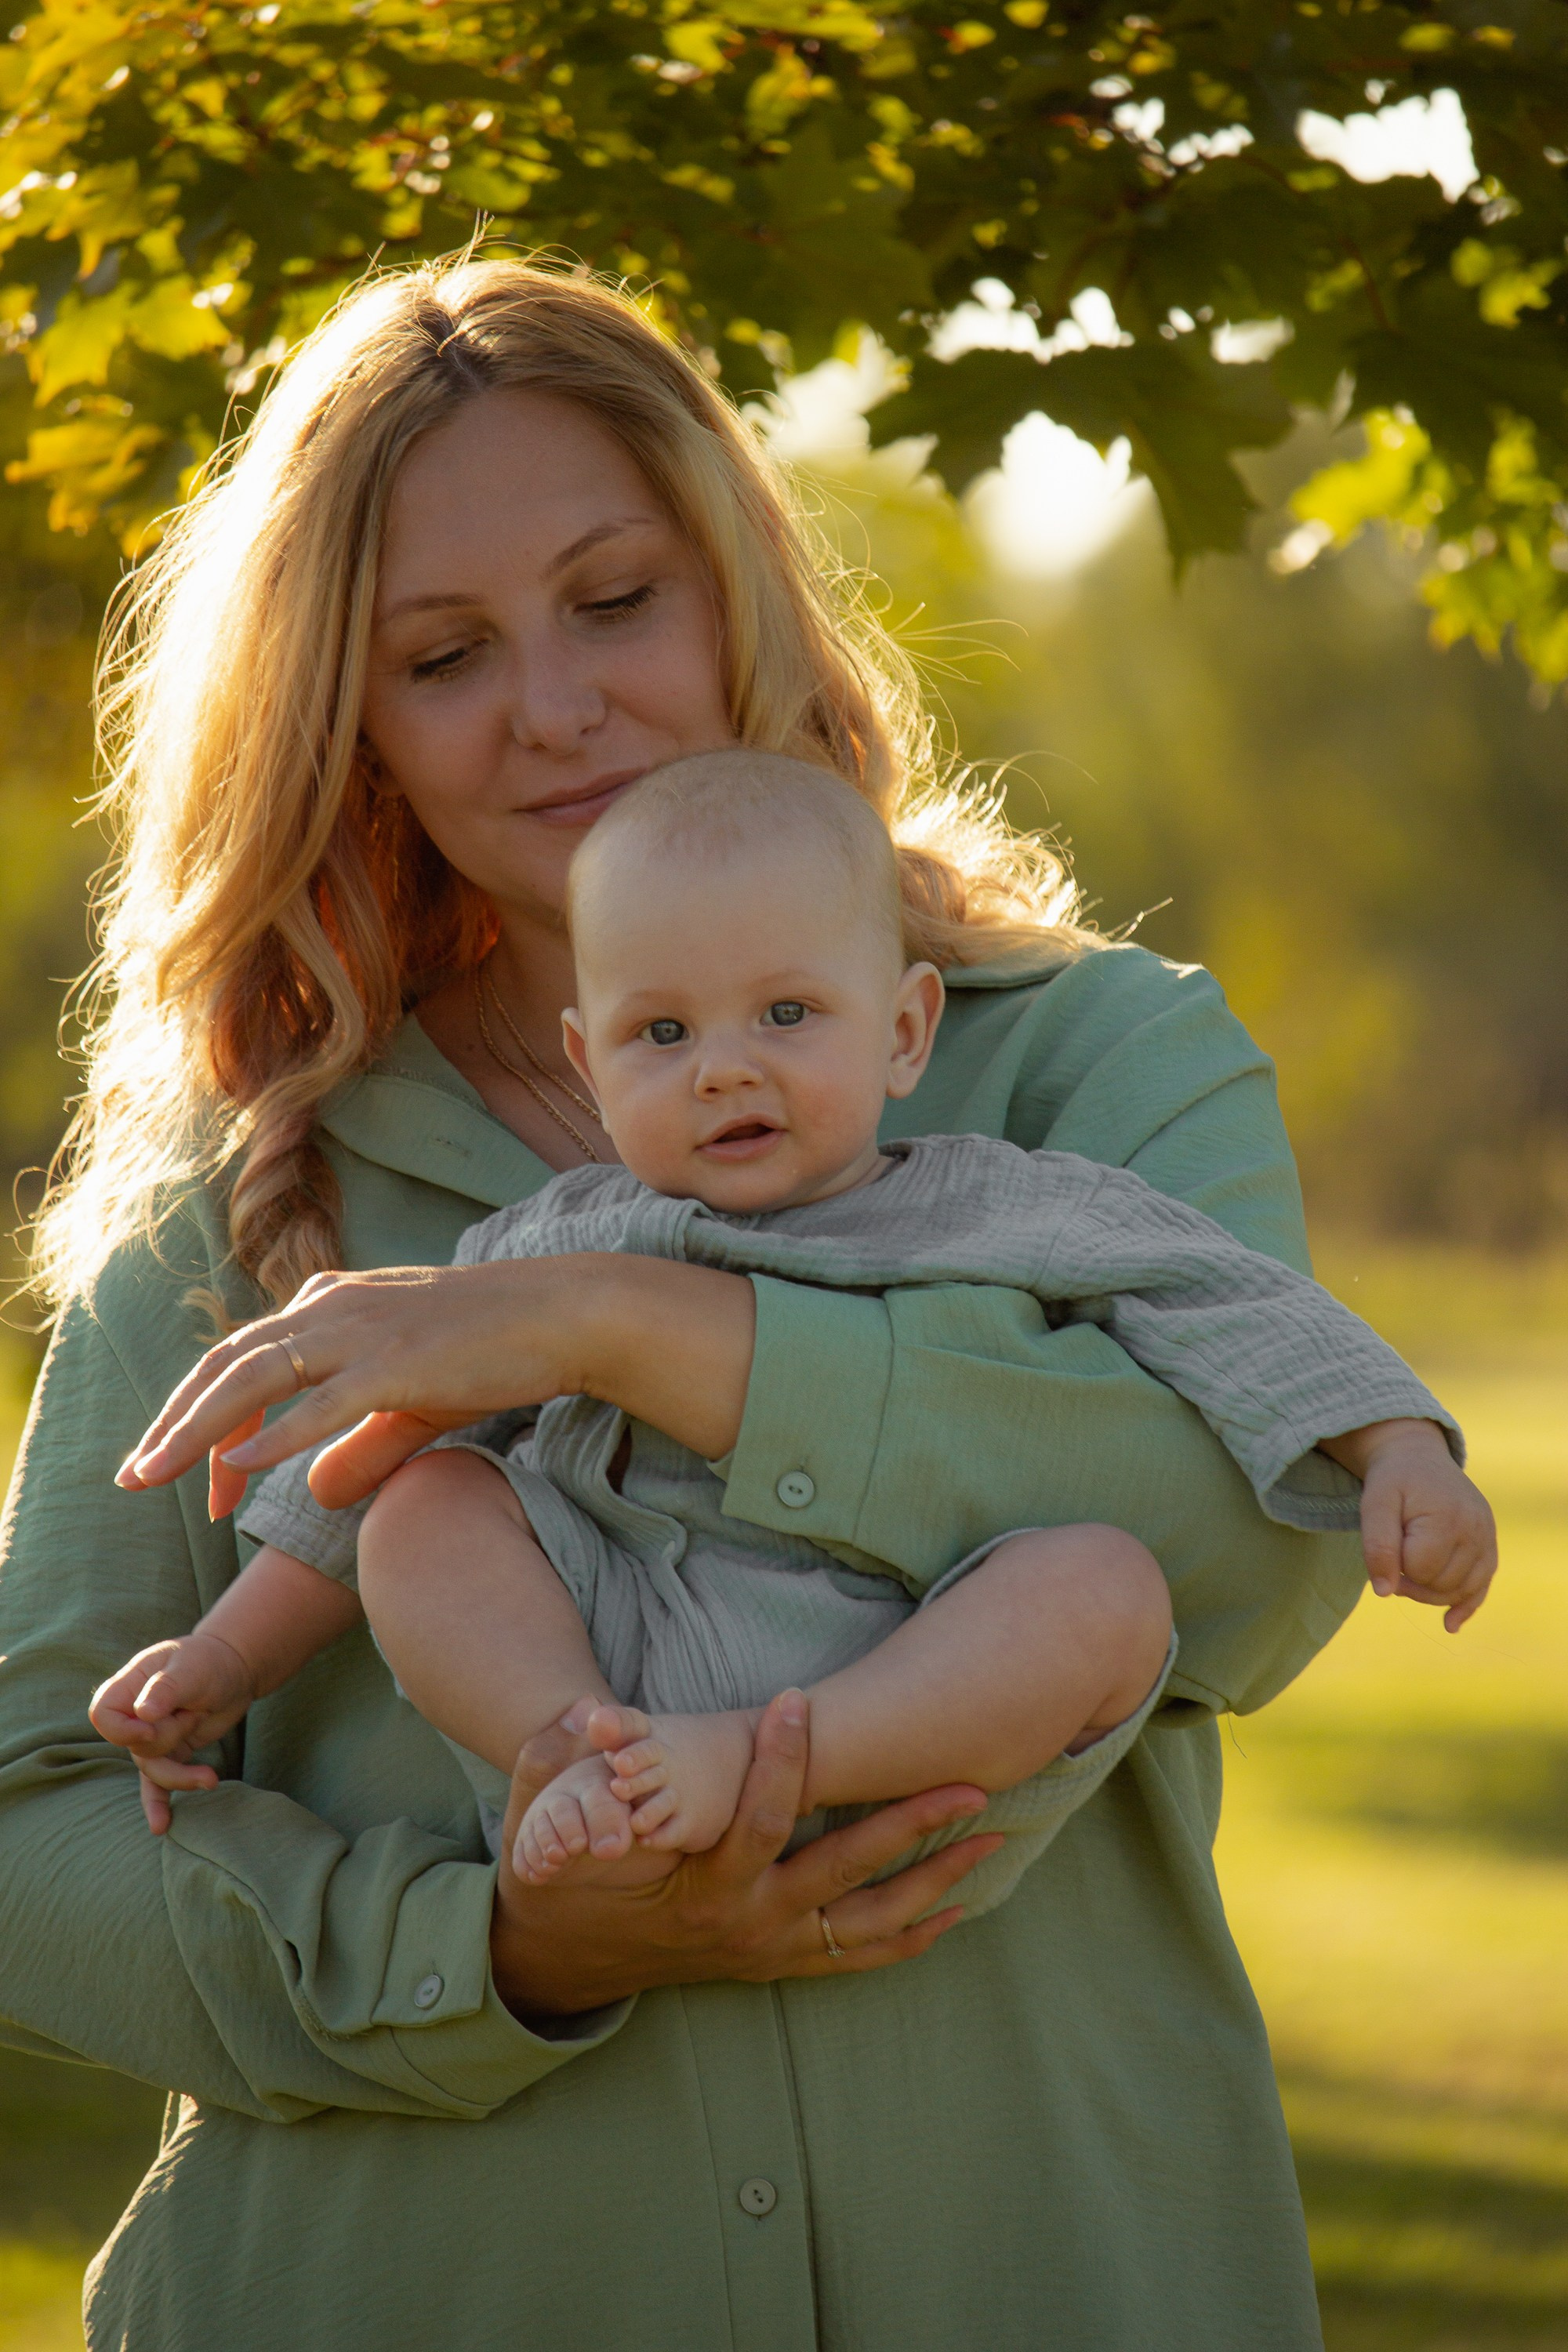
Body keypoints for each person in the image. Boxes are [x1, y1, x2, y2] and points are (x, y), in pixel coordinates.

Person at [0, 254, 1486, 2349]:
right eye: (444, 655)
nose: (554, 705)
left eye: (616, 600)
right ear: (350, 720)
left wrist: (614, 1334)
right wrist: (510, 1951)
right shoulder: (233, 1202)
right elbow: (32, 1826)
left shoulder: (1085, 1065)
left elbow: (1251, 1546)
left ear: (740, 584)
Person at [89, 753, 1492, 1916]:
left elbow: (1228, 1300)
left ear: (903, 1031)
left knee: (1104, 1592)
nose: (727, 1066)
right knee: (420, 1497)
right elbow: (347, 1471)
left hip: (897, 1674)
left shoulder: (994, 1201)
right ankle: (572, 1754)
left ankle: (765, 1762)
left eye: (786, 1013)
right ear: (589, 1062)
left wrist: (1401, 1451)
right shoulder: (553, 1243)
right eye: (661, 1033)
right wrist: (222, 1662)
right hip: (620, 1639)